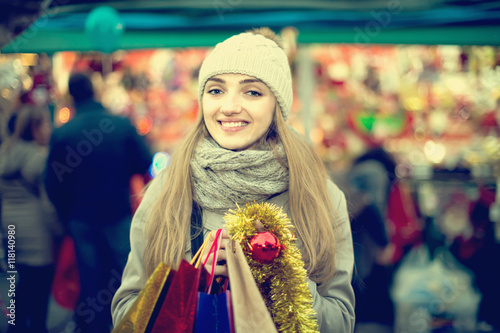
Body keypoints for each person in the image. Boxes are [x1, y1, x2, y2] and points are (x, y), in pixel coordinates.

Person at [111, 28, 355, 332]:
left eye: (252, 91)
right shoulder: (167, 191)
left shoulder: (321, 197)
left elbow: (341, 322)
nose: (228, 107)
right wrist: (188, 287)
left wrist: (280, 281)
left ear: (277, 105)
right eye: (216, 90)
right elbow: (126, 315)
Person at [44, 72, 153, 333]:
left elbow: (52, 182)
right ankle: (130, 324)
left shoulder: (63, 133)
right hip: (118, 212)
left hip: (82, 218)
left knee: (91, 279)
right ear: (94, 90)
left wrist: (67, 213)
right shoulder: (120, 125)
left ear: (71, 95)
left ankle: (95, 327)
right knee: (127, 274)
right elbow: (144, 162)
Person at [0, 104, 62, 333]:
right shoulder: (39, 158)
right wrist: (59, 231)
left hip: (12, 229)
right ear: (35, 128)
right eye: (45, 124)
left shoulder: (5, 152)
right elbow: (47, 205)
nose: (49, 129)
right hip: (37, 231)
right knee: (40, 283)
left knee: (22, 279)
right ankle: (35, 327)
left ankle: (14, 326)